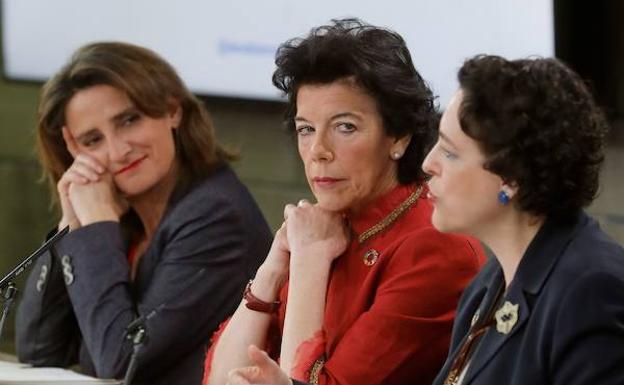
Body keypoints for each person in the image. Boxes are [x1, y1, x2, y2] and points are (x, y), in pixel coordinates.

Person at [204, 19, 485, 385]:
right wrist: (273, 269)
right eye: (306, 129)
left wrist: (308, 262)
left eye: (345, 127)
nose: (318, 151)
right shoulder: (323, 225)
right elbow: (221, 379)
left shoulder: (435, 247)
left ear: (398, 136)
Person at [15, 42, 272, 385]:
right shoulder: (120, 217)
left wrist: (95, 229)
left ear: (171, 109)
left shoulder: (216, 217)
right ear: (74, 151)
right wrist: (71, 225)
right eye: (92, 141)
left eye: (129, 120)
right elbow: (37, 350)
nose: (118, 150)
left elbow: (122, 362)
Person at [421, 55, 624, 384]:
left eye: (449, 152)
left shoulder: (591, 293)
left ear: (510, 177)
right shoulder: (491, 279)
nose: (428, 164)